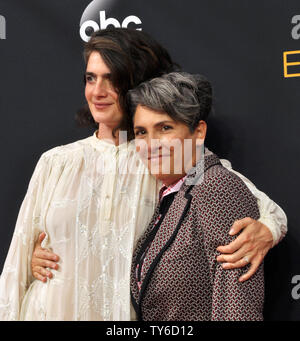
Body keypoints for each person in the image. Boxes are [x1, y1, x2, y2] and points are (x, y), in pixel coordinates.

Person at [0, 28, 286, 321]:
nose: (97, 91)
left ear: (134, 83)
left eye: (112, 79)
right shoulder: (56, 162)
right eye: (90, 78)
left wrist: (265, 231)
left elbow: (255, 203)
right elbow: (15, 270)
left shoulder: (165, 157)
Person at [129, 72, 265, 320]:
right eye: (141, 132)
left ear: (198, 132)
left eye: (165, 128)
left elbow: (237, 305)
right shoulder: (172, 193)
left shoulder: (215, 185)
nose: (151, 144)